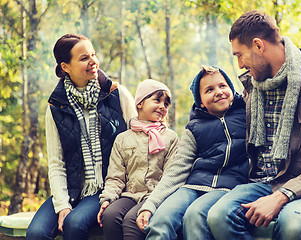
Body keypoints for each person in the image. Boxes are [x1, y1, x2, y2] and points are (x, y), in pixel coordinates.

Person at [206, 10, 301, 240]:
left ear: (258, 45)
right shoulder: (253, 87)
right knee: (218, 215)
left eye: (240, 55)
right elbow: (219, 110)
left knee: (293, 225)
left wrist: (282, 196)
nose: (239, 64)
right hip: (261, 183)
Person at [26, 33, 137, 240]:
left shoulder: (117, 94)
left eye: (93, 54)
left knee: (75, 224)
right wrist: (62, 205)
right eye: (84, 58)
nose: (93, 61)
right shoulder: (55, 107)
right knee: (36, 233)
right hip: (71, 188)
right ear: (65, 67)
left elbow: (138, 141)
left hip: (107, 187)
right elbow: (56, 163)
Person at [136, 66, 249, 240]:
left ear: (232, 90)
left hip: (228, 186)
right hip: (192, 186)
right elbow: (178, 169)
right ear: (201, 101)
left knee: (195, 216)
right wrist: (150, 204)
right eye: (209, 90)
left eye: (223, 86)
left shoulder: (246, 115)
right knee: (160, 221)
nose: (218, 92)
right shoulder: (194, 128)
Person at [97, 79, 179, 240]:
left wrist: (155, 200)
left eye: (166, 104)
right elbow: (115, 177)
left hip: (155, 196)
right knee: (110, 215)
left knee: (131, 220)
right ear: (140, 103)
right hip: (131, 195)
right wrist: (107, 199)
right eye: (157, 100)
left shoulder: (170, 137)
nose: (163, 106)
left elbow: (171, 175)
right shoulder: (123, 139)